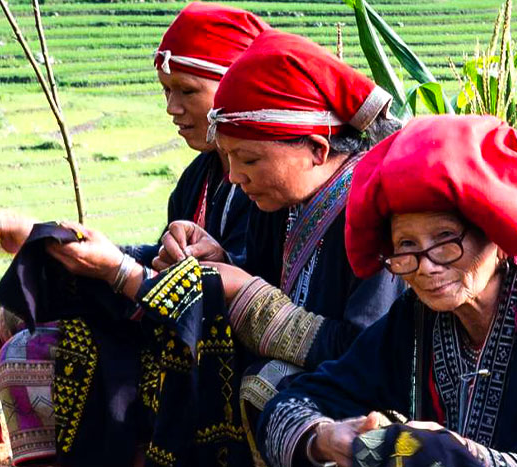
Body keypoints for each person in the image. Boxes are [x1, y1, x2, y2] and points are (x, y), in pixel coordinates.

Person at [257, 115, 517, 467]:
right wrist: (326, 436)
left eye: (445, 239)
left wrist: (451, 453)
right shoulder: (417, 318)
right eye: (406, 246)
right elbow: (299, 399)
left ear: (499, 238)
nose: (427, 265)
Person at [0, 4, 267, 465]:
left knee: (33, 349)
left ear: (236, 86)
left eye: (186, 91)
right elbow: (160, 262)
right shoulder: (197, 179)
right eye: (165, 91)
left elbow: (241, 288)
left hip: (220, 347)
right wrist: (54, 240)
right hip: (177, 326)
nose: (171, 109)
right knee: (23, 311)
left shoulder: (263, 187)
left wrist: (119, 269)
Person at [140, 28, 407, 463]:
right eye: (229, 159)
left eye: (248, 160)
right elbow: (269, 278)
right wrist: (223, 261)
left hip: (367, 408)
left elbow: (368, 352)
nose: (234, 177)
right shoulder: (275, 201)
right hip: (309, 387)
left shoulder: (374, 212)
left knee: (268, 382)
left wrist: (244, 294)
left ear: (317, 150)